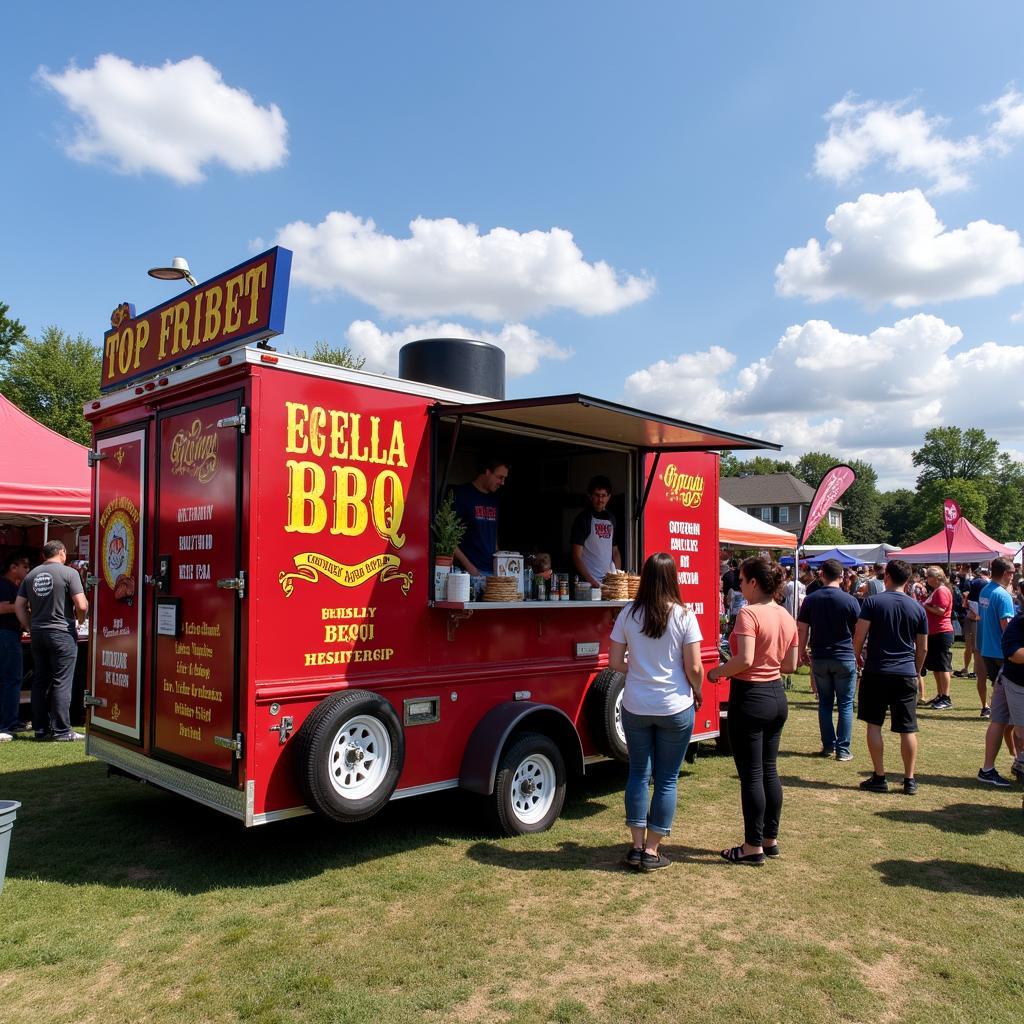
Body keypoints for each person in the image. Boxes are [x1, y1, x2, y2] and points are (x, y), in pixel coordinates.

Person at [609, 552, 703, 872]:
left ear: (646, 578)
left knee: (638, 773)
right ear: (673, 578)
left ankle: (635, 846)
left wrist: (636, 669)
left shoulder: (628, 613)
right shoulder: (684, 616)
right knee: (666, 780)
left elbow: (612, 662)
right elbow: (694, 666)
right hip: (675, 705)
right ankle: (651, 850)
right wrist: (699, 690)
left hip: (636, 703)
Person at [707, 557, 797, 866]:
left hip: (750, 696)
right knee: (769, 770)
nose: (739, 585)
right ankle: (769, 839)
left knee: (752, 775)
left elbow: (743, 659)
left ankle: (751, 846)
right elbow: (791, 665)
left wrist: (717, 672)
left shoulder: (748, 613)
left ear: (754, 583)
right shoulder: (785, 615)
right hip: (776, 694)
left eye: (742, 580)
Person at [853, 559, 928, 795]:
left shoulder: (873, 602)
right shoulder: (917, 607)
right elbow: (923, 647)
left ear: (886, 577)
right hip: (905, 672)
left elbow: (859, 634)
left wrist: (857, 656)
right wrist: (916, 670)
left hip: (877, 670)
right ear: (908, 581)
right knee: (908, 728)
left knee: (874, 725)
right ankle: (909, 779)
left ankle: (880, 775)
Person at [14, 540, 89, 741]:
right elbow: (81, 605)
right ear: (62, 553)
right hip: (62, 632)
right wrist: (80, 621)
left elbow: (19, 606)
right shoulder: (69, 573)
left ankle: (40, 729)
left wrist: (29, 626)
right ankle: (63, 731)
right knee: (62, 681)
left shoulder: (31, 575)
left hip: (38, 634)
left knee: (40, 681)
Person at [797, 558, 861, 761]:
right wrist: (857, 653)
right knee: (845, 704)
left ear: (821, 575)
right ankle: (843, 749)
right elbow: (858, 631)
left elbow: (802, 628)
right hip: (844, 656)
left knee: (824, 702)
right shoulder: (850, 600)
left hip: (820, 656)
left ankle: (828, 746)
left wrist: (801, 651)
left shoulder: (811, 599)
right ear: (842, 577)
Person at [976, 557, 1018, 784]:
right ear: (1006, 573)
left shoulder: (986, 590)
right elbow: (1008, 629)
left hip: (988, 652)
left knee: (1003, 713)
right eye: (1012, 572)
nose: (1013, 576)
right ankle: (1017, 758)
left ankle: (1009, 757)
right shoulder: (1003, 596)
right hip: (1004, 656)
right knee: (1013, 713)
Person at [451, 457, 509, 577]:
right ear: (487, 472)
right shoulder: (462, 495)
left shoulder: (494, 499)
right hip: (468, 573)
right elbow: (448, 538)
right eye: (500, 477)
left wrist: (499, 563)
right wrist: (470, 568)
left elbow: (492, 535)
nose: (502, 483)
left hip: (492, 572)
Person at [0, 551, 32, 741]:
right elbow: (2, 608)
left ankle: (9, 720)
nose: (28, 570)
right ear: (13, 568)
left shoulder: (11, 585)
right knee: (12, 680)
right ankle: (8, 723)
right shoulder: (4, 585)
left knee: (8, 680)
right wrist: (21, 606)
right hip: (6, 635)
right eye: (25, 566)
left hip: (10, 635)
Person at [570, 475, 622, 587]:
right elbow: (576, 555)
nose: (600, 500)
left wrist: (616, 578)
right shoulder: (583, 519)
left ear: (609, 497)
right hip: (587, 584)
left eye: (604, 496)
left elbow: (615, 552)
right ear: (590, 496)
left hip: (608, 583)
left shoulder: (611, 519)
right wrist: (592, 582)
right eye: (597, 495)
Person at [920, 566, 955, 709]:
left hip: (942, 632)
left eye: (928, 576)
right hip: (935, 632)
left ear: (935, 577)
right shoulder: (937, 590)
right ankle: (940, 694)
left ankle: (946, 697)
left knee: (943, 666)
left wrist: (925, 606)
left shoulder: (942, 590)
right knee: (936, 666)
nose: (926, 579)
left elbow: (941, 611)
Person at [998, 609, 1024, 782]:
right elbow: (1014, 654)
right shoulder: (1019, 622)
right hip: (1018, 682)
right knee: (1021, 730)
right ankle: (1020, 762)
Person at [968, 566, 992, 708]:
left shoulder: (976, 602)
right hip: (988, 641)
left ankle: (985, 706)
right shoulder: (994, 594)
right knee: (992, 678)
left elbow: (969, 608)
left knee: (981, 675)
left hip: (980, 638)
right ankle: (987, 705)